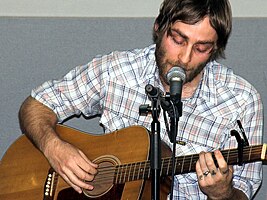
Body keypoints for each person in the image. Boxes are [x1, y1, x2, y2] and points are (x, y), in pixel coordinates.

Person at [19, 0, 263, 199]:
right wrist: (54, 147)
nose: (185, 58)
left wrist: (223, 194)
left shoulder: (241, 100)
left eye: (201, 48)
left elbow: (244, 189)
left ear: (216, 49)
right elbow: (37, 104)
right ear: (158, 27)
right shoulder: (117, 71)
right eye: (178, 39)